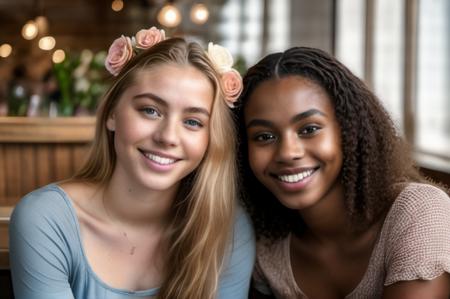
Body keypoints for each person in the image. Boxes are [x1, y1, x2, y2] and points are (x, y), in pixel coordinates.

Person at [9, 27, 254, 299]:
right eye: (150, 110)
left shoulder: (228, 229)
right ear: (112, 113)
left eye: (193, 122)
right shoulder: (47, 219)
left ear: (211, 138)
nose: (168, 137)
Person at [235, 46, 450, 298]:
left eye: (309, 129)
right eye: (265, 136)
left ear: (349, 129)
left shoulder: (419, 212)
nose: (287, 152)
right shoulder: (265, 246)